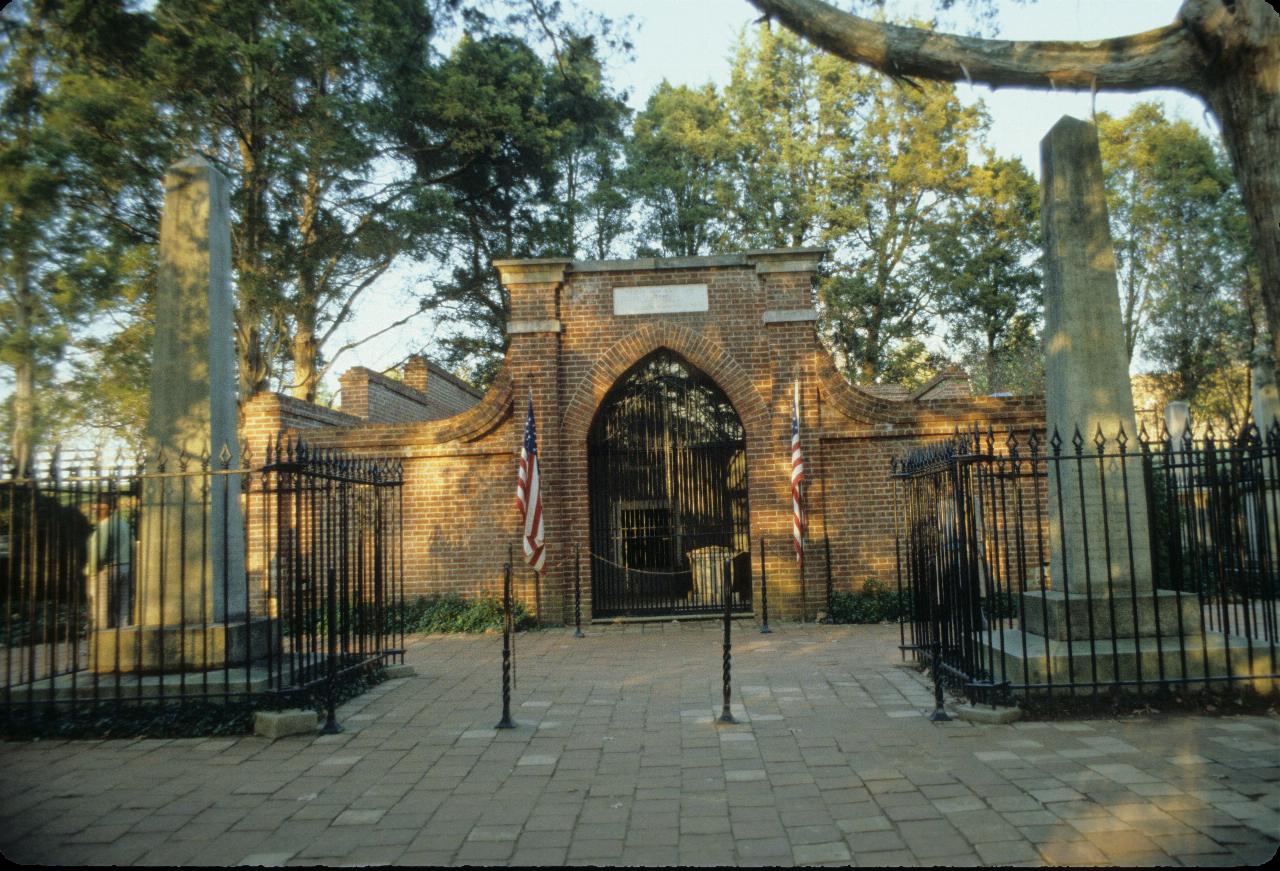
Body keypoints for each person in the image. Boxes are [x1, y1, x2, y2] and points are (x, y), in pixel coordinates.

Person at [87, 495, 132, 628]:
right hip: (126, 568)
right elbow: (132, 546)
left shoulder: (105, 525)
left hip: (108, 569)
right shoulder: (124, 524)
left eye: (98, 507)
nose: (95, 511)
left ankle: (102, 638)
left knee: (102, 607)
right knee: (123, 606)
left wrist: (92, 572)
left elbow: (100, 553)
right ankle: (124, 635)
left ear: (107, 508)